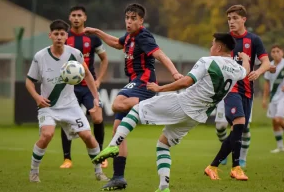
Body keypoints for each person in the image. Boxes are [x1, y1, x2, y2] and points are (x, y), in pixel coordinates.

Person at [92, 33, 250, 192]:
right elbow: (246, 71)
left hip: (183, 104)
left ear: (219, 47)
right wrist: (246, 59)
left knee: (137, 110)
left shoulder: (208, 61)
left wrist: (160, 88)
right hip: (197, 116)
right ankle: (163, 187)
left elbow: (186, 81)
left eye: (212, 44)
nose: (211, 48)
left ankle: (113, 145)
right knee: (163, 145)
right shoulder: (237, 69)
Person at [84, 3, 183, 190]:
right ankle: (119, 177)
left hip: (143, 83)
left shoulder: (144, 36)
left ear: (141, 20)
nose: (129, 22)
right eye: (127, 18)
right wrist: (97, 31)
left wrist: (175, 73)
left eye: (133, 19)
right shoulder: (130, 36)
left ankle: (150, 102)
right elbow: (116, 43)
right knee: (117, 131)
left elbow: (160, 55)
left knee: (117, 103)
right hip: (135, 82)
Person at [26, 19, 108, 182]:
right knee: (47, 135)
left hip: (70, 106)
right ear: (50, 35)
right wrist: (37, 97)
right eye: (55, 34)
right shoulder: (40, 56)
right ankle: (34, 171)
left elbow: (87, 75)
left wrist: (96, 98)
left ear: (66, 36)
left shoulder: (75, 54)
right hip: (48, 106)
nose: (59, 37)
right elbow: (29, 81)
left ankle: (99, 172)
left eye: (62, 34)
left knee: (88, 136)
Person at [205, 5, 270, 181]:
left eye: (235, 18)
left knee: (238, 130)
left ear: (244, 20)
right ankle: (235, 167)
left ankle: (217, 166)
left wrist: (259, 72)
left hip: (247, 91)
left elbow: (265, 61)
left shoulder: (254, 40)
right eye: (229, 19)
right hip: (229, 89)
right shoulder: (225, 40)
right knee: (239, 122)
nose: (231, 22)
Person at [60, 5, 109, 170]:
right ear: (69, 17)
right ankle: (67, 159)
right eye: (73, 15)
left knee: (98, 118)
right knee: (67, 120)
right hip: (69, 87)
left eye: (79, 15)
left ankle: (101, 155)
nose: (76, 18)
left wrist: (99, 80)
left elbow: (104, 59)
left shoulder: (93, 39)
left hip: (88, 87)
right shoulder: (64, 37)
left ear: (85, 18)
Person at [263, 45, 284, 153]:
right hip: (274, 97)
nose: (275, 53)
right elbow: (267, 83)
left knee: (278, 119)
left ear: (282, 53)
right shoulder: (269, 66)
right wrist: (264, 99)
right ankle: (280, 146)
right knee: (274, 121)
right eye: (273, 51)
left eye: (278, 51)